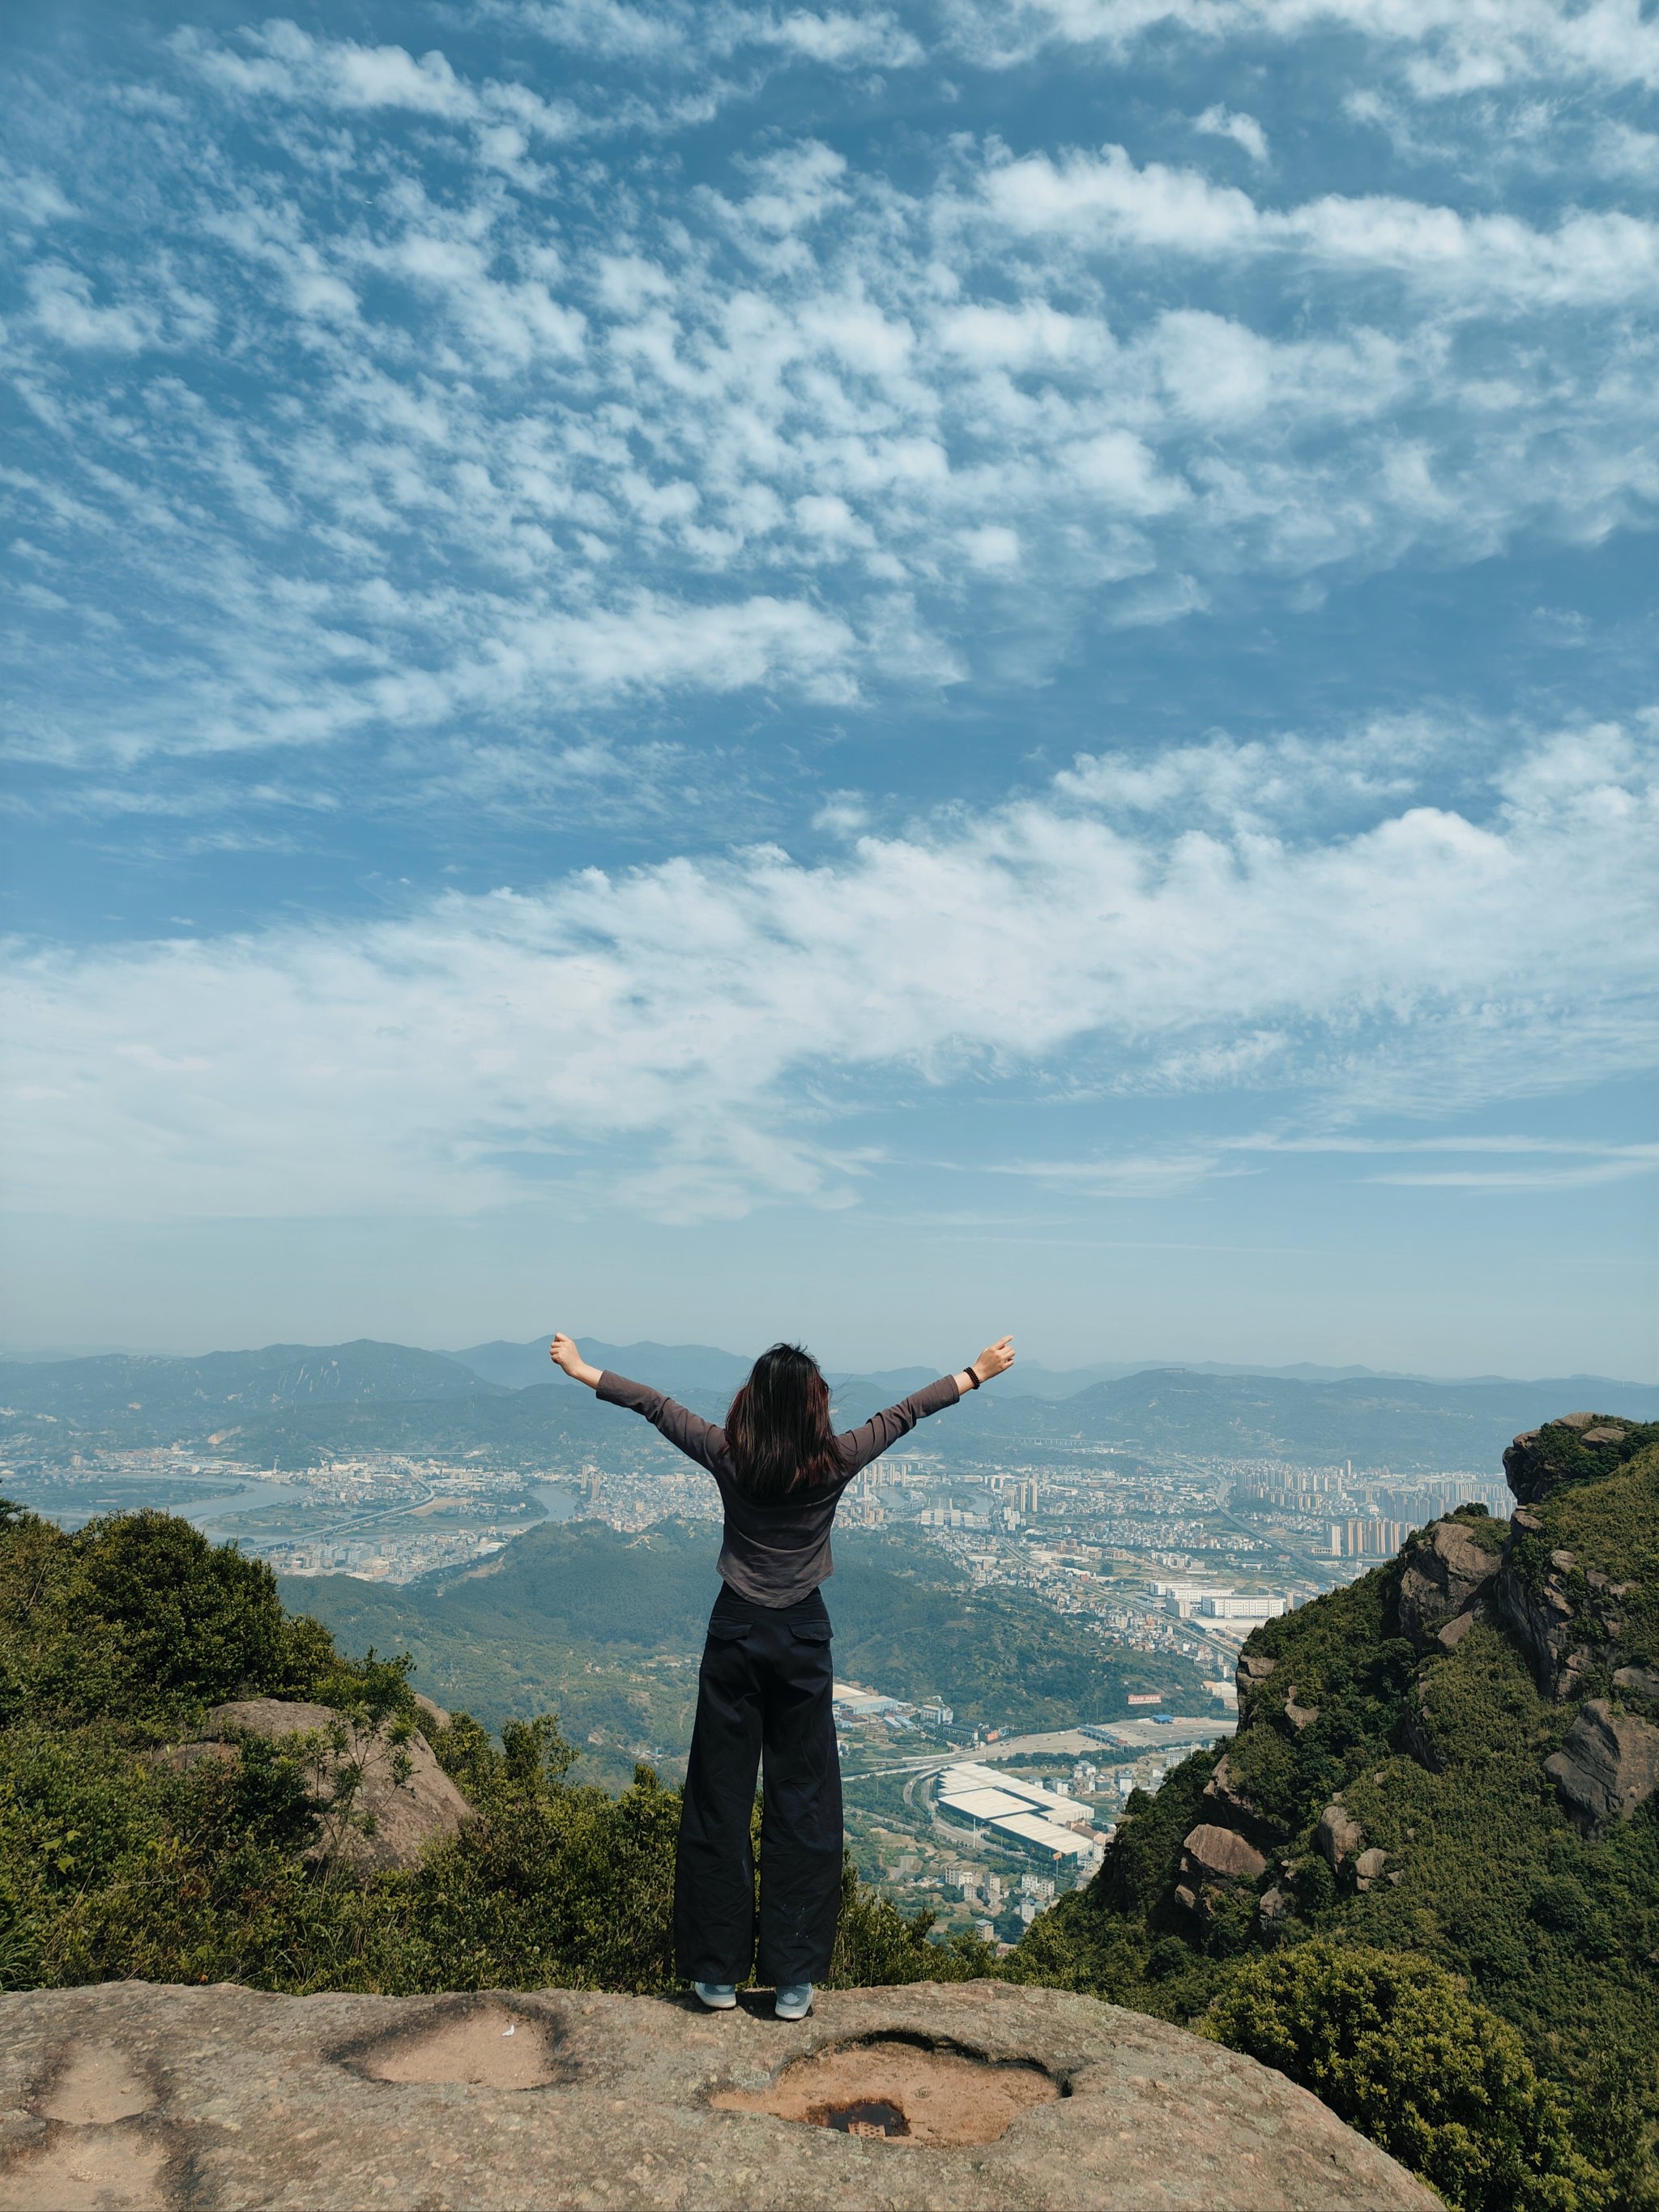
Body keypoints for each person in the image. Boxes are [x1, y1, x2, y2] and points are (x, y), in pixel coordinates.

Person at [548, 1330, 1016, 2019]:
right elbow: (905, 1413)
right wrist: (975, 1373)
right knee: (805, 1801)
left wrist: (582, 1369)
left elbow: (656, 1405)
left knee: (720, 1797)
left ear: (753, 1404)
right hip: (802, 1637)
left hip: (735, 1631)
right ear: (812, 1408)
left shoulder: (727, 1455)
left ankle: (716, 1973)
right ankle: (794, 1979)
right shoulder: (835, 1460)